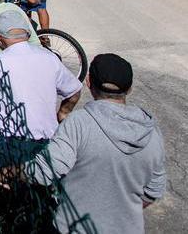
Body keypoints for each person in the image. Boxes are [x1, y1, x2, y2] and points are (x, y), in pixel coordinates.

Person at [26, 54, 167, 234]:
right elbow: (154, 190)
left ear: (88, 82)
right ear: (130, 88)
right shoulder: (151, 132)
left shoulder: (79, 124)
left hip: (72, 227)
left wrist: (15, 171)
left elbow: (45, 171)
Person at [0, 9, 82, 140]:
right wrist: (63, 113)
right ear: (27, 35)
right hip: (48, 138)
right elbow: (74, 91)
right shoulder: (49, 58)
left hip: (9, 141)